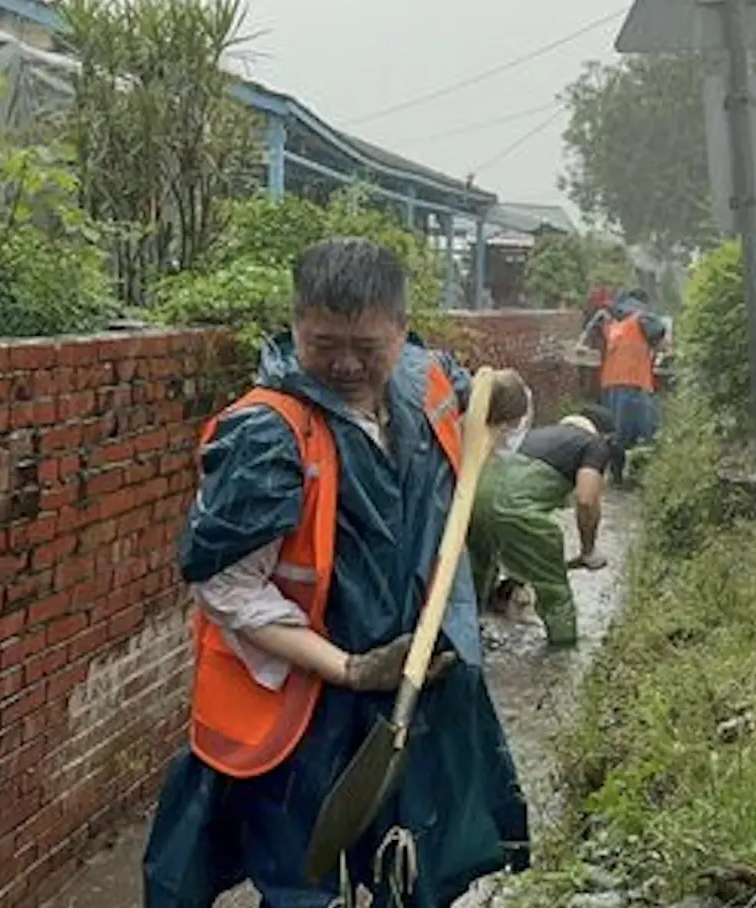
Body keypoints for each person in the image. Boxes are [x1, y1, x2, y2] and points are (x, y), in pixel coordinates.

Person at [143, 238, 533, 907]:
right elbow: (226, 587)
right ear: (296, 325)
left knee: (407, 868)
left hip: (413, 688)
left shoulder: (427, 382)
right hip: (303, 710)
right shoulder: (267, 435)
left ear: (402, 331)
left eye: (367, 346)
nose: (347, 365)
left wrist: (510, 401)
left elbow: (489, 427)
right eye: (324, 344)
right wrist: (348, 668)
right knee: (301, 880)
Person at [468, 405, 616, 647]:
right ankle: (563, 655)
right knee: (554, 592)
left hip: (475, 502)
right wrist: (588, 550)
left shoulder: (533, 435)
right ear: (604, 435)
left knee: (476, 580)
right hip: (517, 510)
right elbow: (586, 500)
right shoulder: (594, 444)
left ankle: (465, 643)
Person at [577, 289, 668, 483]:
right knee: (645, 433)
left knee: (615, 432)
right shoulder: (643, 318)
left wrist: (582, 342)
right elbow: (662, 343)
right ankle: (637, 476)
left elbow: (588, 337)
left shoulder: (613, 325)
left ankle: (616, 475)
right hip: (635, 386)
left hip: (610, 387)